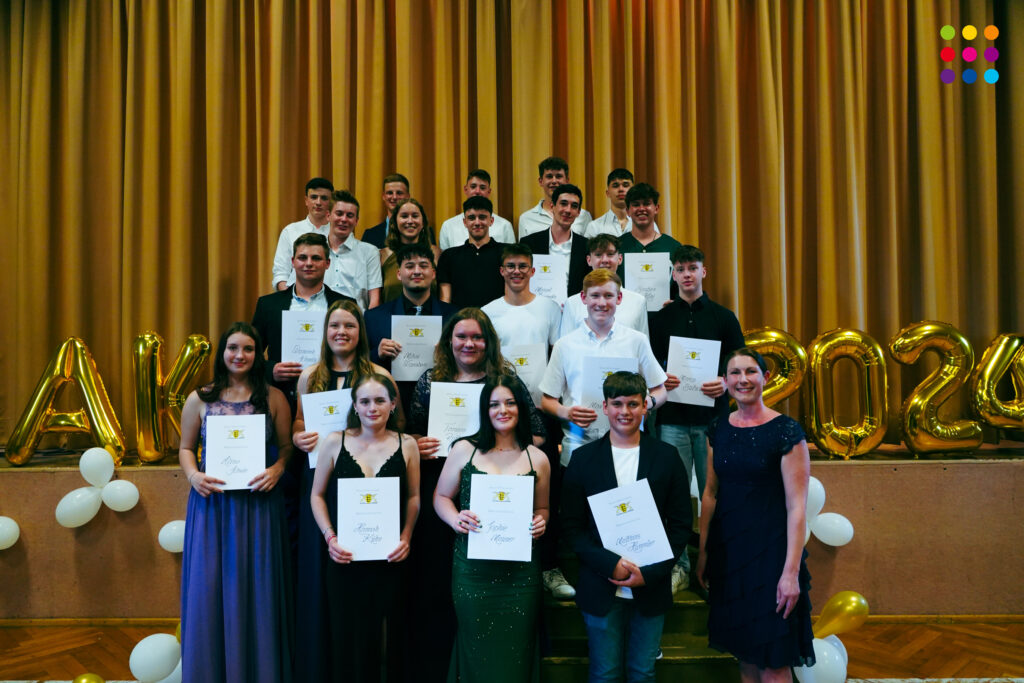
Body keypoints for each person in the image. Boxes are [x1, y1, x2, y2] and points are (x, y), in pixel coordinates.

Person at [405, 308, 548, 683]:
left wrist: (503, 451)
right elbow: (411, 434)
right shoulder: (431, 381)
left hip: (507, 517)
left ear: (489, 342)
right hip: (450, 494)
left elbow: (537, 434)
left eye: (477, 336)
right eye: (461, 336)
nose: (469, 343)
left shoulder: (506, 383)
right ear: (448, 341)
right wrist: (419, 444)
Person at [291, 300, 401, 681]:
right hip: (320, 482)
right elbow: (299, 422)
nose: (342, 332)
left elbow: (396, 426)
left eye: (350, 325)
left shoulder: (378, 374)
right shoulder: (310, 376)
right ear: (325, 332)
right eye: (335, 325)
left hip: (365, 484)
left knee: (361, 577)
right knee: (321, 573)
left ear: (360, 332)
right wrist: (298, 437)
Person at [178, 322, 294, 682]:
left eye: (248, 348)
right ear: (222, 352)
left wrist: (277, 469)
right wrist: (193, 476)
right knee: (209, 589)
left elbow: (287, 448)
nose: (239, 355)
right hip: (212, 506)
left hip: (259, 507)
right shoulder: (200, 398)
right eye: (233, 347)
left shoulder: (274, 398)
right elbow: (185, 448)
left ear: (258, 354)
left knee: (258, 590)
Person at [561, 371, 692, 683]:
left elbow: (680, 525)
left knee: (643, 673)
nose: (625, 411)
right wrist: (611, 564)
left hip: (652, 585)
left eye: (633, 404)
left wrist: (650, 572)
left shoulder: (667, 457)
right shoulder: (583, 459)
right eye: (617, 404)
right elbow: (572, 527)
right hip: (600, 583)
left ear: (645, 406)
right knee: (604, 674)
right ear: (605, 407)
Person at [697, 349, 815, 680]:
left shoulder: (786, 431)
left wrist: (790, 574)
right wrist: (704, 553)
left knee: (773, 663)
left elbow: (797, 507)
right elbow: (710, 494)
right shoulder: (718, 428)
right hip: (730, 554)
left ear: (765, 377)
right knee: (746, 656)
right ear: (724, 381)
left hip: (771, 557)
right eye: (735, 373)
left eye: (750, 371)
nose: (743, 379)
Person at [434, 375, 551, 682]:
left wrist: (541, 522)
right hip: (473, 573)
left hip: (520, 577)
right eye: (494, 404)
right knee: (475, 648)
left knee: (516, 652)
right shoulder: (464, 450)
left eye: (510, 403)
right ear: (484, 410)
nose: (503, 410)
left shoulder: (538, 458)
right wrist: (455, 519)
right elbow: (441, 497)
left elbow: (543, 509)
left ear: (521, 407)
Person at [310, 373, 420, 683]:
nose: (373, 408)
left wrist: (406, 537)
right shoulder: (335, 441)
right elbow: (316, 495)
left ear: (393, 404)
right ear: (355, 406)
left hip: (391, 558)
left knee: (390, 642)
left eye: (380, 400)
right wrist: (330, 538)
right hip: (346, 560)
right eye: (365, 401)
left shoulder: (408, 444)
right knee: (348, 642)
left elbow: (414, 498)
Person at [650, 244, 745, 593]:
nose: (687, 274)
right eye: (680, 269)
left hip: (712, 423)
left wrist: (725, 382)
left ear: (703, 271)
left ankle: (715, 564)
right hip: (672, 420)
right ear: (673, 275)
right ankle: (679, 565)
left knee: (715, 494)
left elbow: (740, 365)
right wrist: (661, 377)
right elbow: (649, 365)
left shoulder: (724, 317)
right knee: (673, 496)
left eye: (692, 268)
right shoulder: (660, 319)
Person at [481, 243, 571, 599]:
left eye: (523, 266)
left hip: (542, 411)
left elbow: (559, 356)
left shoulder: (549, 308)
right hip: (501, 413)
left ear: (533, 271)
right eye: (510, 266)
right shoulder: (489, 312)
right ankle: (503, 556)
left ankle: (547, 566)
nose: (516, 271)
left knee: (545, 492)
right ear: (501, 271)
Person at [540, 269, 668, 467]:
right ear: (584, 298)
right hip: (578, 446)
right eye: (595, 295)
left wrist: (646, 404)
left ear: (619, 298)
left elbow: (660, 391)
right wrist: (567, 412)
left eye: (608, 295)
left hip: (629, 447)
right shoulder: (564, 345)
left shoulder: (636, 341)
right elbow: (547, 400)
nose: (601, 303)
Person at [252, 232, 354, 407]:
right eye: (302, 257)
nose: (309, 263)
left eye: (316, 258)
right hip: (282, 395)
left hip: (333, 394)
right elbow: (252, 352)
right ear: (293, 262)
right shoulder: (268, 305)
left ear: (327, 263)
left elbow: (358, 352)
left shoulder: (345, 304)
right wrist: (271, 370)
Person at [365, 243, 460, 418]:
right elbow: (360, 363)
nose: (417, 271)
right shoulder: (374, 317)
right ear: (399, 274)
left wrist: (450, 353)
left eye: (423, 266)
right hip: (389, 407)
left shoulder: (454, 317)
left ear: (433, 273)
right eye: (409, 266)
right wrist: (377, 354)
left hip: (440, 405)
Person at [558, 234, 649, 338]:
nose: (605, 260)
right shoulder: (572, 303)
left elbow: (642, 344)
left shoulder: (638, 302)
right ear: (589, 260)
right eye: (598, 255)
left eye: (610, 254)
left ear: (620, 259)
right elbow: (565, 344)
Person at [519, 183, 592, 299]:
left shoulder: (587, 246)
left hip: (575, 308)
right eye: (563, 203)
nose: (568, 210)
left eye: (574, 206)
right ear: (552, 206)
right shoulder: (529, 243)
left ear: (578, 212)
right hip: (538, 307)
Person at [436, 196, 506, 308]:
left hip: (498, 317)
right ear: (465, 222)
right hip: (460, 318)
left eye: (482, 217)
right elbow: (445, 302)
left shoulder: (506, 253)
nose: (477, 222)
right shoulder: (449, 256)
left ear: (491, 221)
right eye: (472, 218)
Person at [323, 190, 382, 310]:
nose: (344, 219)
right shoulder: (314, 251)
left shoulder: (370, 252)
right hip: (319, 319)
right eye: (339, 214)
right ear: (328, 216)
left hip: (357, 319)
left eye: (349, 215)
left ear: (356, 221)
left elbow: (374, 300)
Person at [272, 177, 334, 291]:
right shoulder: (290, 231)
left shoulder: (339, 233)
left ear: (331, 202)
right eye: (314, 197)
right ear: (306, 200)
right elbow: (281, 272)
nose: (318, 202)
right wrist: (288, 298)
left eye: (324, 198)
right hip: (295, 298)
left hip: (333, 298)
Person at [379, 198, 442, 303]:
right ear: (395, 222)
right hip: (390, 313)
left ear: (423, 222)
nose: (410, 221)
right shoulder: (383, 255)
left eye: (415, 216)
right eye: (404, 216)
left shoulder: (436, 253)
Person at [616, 183, 680, 283]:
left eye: (646, 204)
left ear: (656, 208)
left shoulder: (673, 247)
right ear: (628, 211)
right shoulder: (616, 246)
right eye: (636, 205)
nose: (641, 209)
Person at [438, 169, 516, 250]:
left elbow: (511, 256)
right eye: (473, 187)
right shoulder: (448, 226)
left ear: (489, 192)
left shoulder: (504, 226)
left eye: (482, 188)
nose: (477, 191)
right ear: (465, 189)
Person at [517, 156, 593, 238]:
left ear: (567, 180)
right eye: (549, 176)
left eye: (558, 176)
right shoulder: (526, 218)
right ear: (541, 181)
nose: (554, 181)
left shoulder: (584, 216)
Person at [362, 173, 411, 248]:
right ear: (383, 196)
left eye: (399, 193)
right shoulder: (369, 235)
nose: (394, 197)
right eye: (390, 193)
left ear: (408, 196)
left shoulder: (423, 233)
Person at [584, 168, 634, 238]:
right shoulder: (595, 227)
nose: (621, 189)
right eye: (615, 186)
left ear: (633, 191)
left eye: (625, 185)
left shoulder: (645, 225)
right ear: (608, 193)